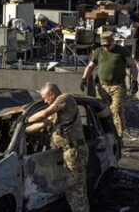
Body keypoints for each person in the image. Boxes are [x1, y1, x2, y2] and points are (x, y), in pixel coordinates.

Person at [26, 83, 89, 212]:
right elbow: (42, 124)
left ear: (52, 94)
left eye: (45, 97)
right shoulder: (58, 111)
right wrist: (23, 129)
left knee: (75, 191)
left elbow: (44, 114)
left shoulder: (65, 99)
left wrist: (24, 119)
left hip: (74, 151)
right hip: (68, 152)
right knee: (76, 189)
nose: (44, 101)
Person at [80, 32, 138, 139]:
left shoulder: (122, 51)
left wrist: (134, 80)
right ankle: (105, 134)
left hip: (117, 86)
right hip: (102, 86)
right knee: (102, 111)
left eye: (108, 45)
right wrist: (84, 78)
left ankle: (118, 137)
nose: (106, 47)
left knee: (116, 111)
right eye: (104, 45)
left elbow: (133, 65)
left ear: (113, 41)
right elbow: (90, 66)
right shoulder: (98, 52)